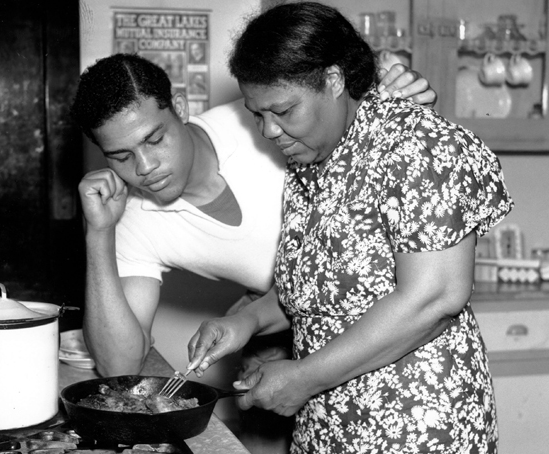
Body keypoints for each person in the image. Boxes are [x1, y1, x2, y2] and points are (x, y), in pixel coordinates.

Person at [186, 2, 514, 453]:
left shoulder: (419, 146)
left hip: (414, 427)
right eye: (258, 114)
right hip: (328, 424)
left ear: (335, 80)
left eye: (283, 110)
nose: (269, 131)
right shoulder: (311, 159)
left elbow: (435, 297)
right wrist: (244, 321)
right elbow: (321, 290)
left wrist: (302, 377)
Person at [70, 53, 437, 379]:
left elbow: (349, 106)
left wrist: (398, 91)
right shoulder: (135, 218)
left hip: (404, 321)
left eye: (154, 139)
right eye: (121, 156)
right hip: (285, 325)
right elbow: (119, 366)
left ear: (179, 107)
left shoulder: (263, 119)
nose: (146, 167)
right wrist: (99, 234)